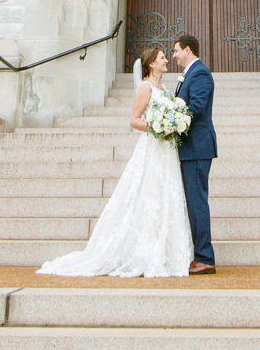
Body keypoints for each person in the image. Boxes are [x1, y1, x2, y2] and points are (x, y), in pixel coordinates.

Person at [36, 46, 193, 277]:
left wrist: (171, 125)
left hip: (167, 151)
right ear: (151, 64)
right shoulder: (145, 88)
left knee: (165, 195)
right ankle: (143, 252)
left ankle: (165, 252)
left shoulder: (165, 88)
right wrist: (156, 127)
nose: (166, 60)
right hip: (152, 147)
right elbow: (134, 120)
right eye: (162, 58)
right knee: (148, 194)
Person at [172, 35, 217, 274]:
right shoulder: (189, 74)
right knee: (193, 201)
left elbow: (197, 107)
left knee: (197, 201)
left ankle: (205, 257)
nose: (174, 55)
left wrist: (171, 121)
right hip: (190, 148)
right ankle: (200, 254)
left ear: (188, 50)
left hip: (197, 147)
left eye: (176, 51)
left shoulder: (200, 74)